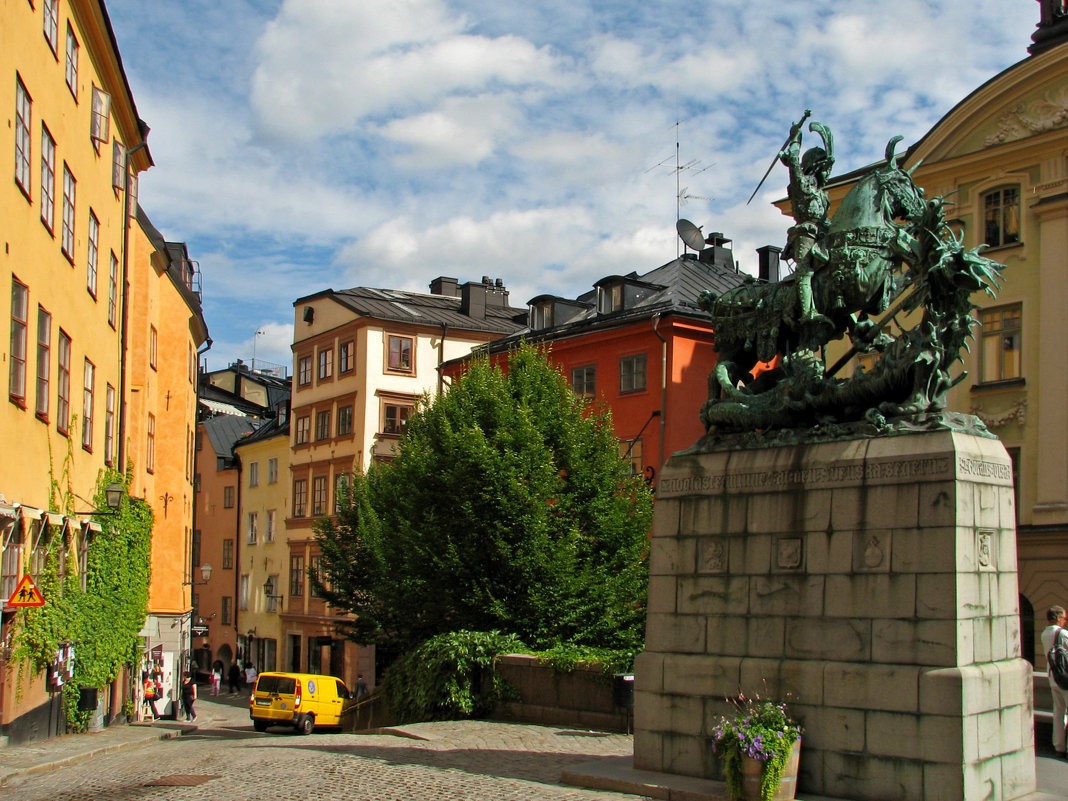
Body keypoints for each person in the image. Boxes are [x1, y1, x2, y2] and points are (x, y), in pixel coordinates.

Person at [779, 110, 834, 334]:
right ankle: (808, 312)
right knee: (805, 270)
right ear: (815, 166)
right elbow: (793, 163)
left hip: (822, 236)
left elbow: (827, 221)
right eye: (825, 167)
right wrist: (796, 139)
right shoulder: (803, 186)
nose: (828, 172)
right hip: (804, 236)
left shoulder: (823, 195)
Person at [1043, 605, 1068, 756]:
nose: (1064, 621)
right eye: (1064, 618)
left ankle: (1059, 746)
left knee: (1058, 711)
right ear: (1058, 618)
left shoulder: (1044, 634)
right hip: (1066, 677)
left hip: (1053, 676)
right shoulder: (1063, 634)